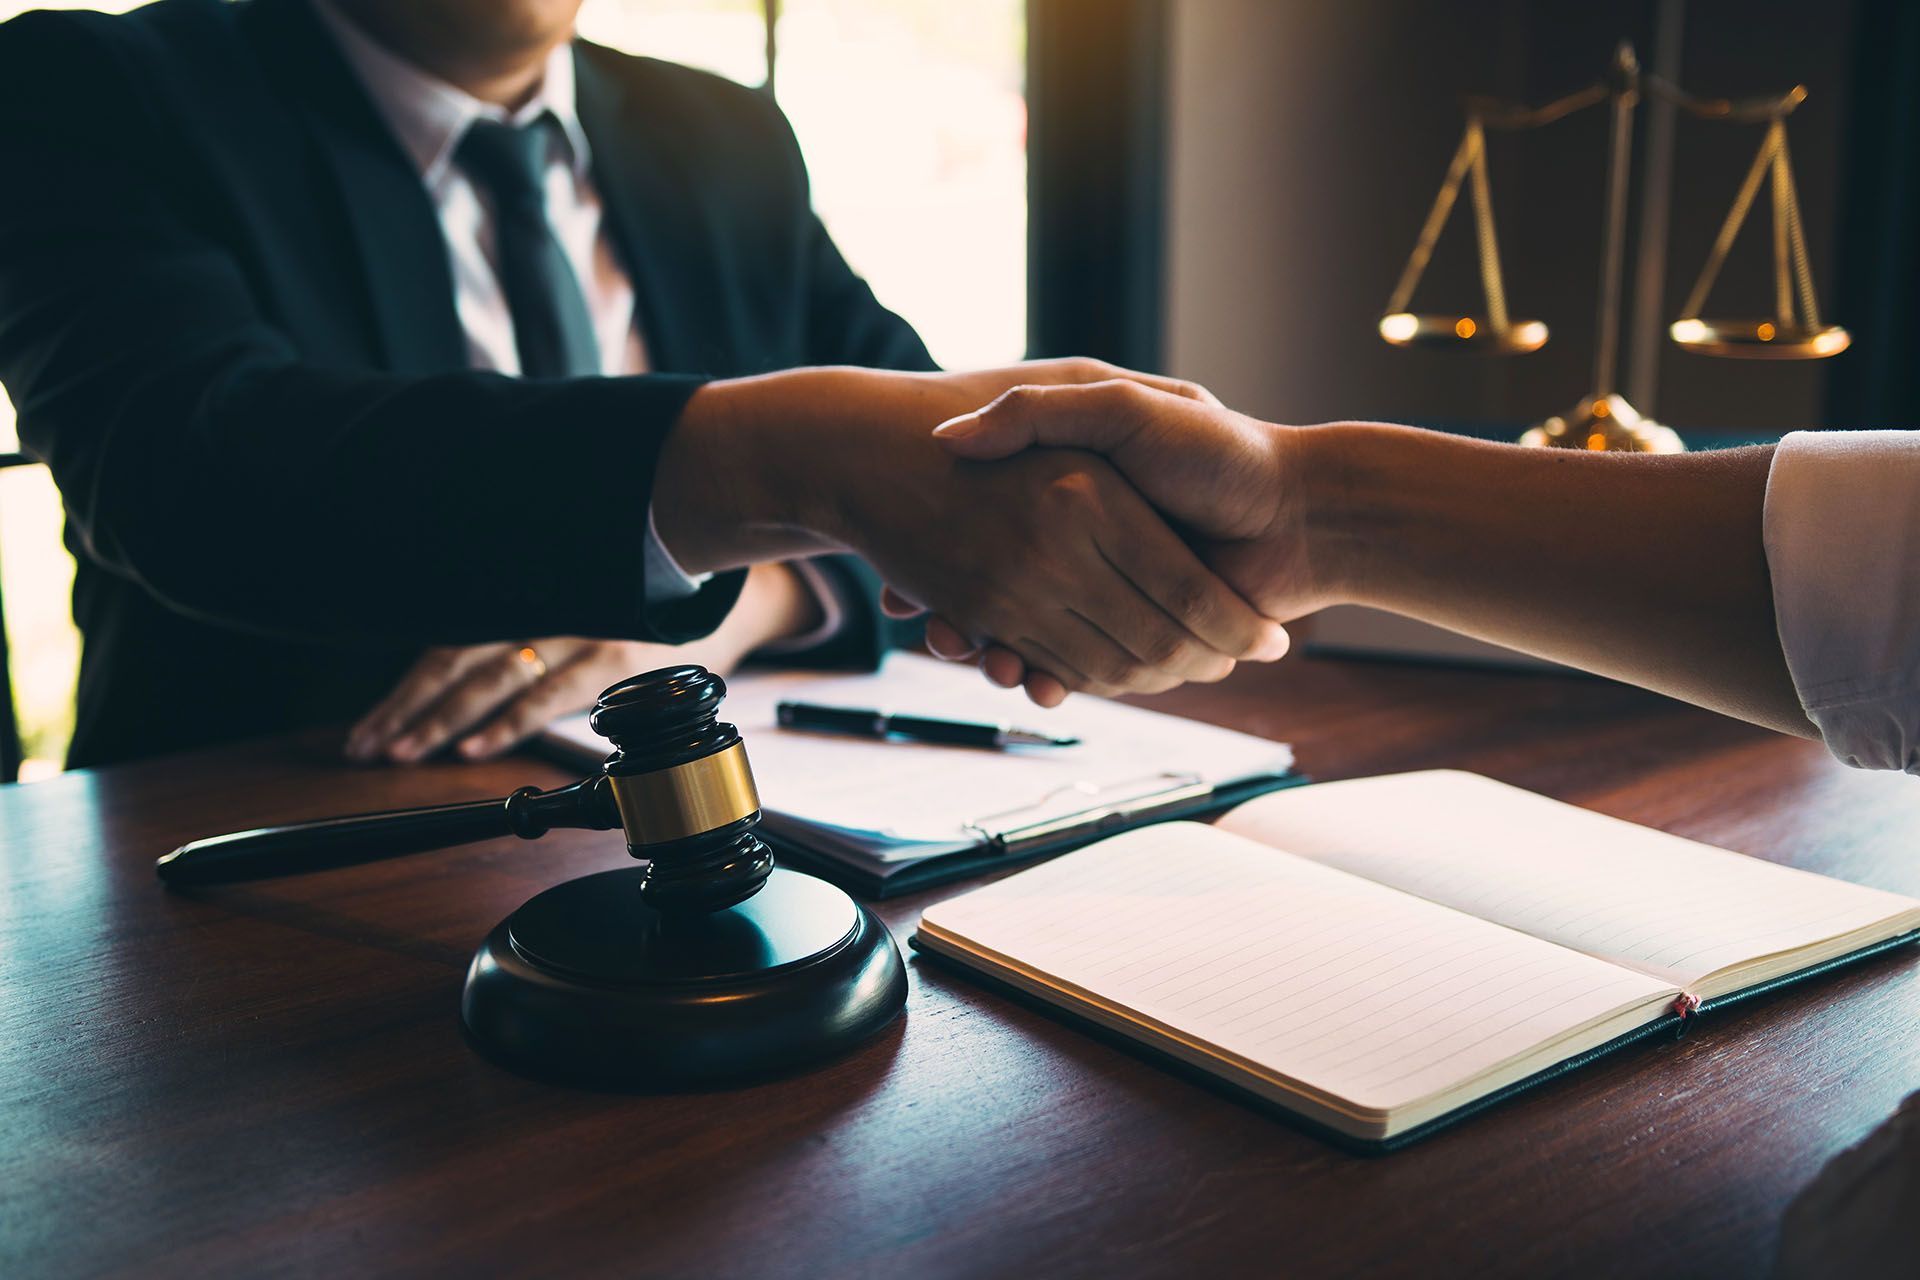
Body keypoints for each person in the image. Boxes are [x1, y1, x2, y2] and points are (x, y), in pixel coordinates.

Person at [0, 0, 1286, 768]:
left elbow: (935, 451)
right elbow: (189, 468)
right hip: (276, 858)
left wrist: (738, 592)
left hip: (724, 831)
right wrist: (770, 465)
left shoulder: (718, 133)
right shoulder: (98, 90)